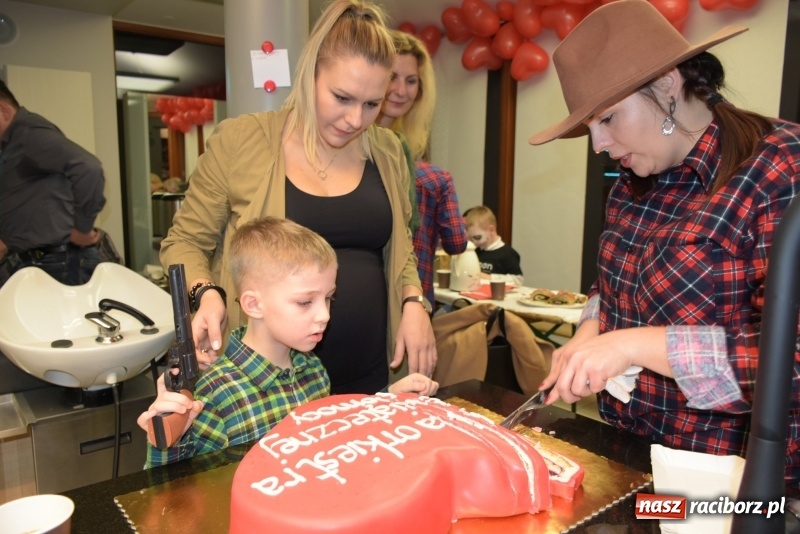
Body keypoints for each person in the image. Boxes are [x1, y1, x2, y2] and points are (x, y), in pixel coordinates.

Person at [529, 0, 800, 484]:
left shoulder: (779, 170)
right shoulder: (630, 184)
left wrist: (633, 345)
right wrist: (595, 327)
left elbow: (790, 362)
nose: (597, 146)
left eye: (607, 119)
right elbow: (614, 281)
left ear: (668, 87)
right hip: (632, 460)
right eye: (589, 128)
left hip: (730, 481)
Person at [159, 0, 436, 395]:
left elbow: (399, 249)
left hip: (368, 376)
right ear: (309, 75)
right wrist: (205, 295)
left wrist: (413, 301)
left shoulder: (388, 150)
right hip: (265, 391)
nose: (356, 120)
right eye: (342, 97)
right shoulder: (242, 141)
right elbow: (184, 242)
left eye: (372, 104)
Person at [139, 217, 438, 467]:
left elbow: (331, 436)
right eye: (306, 302)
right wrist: (169, 439)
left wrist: (384, 400)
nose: (324, 316)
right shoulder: (216, 394)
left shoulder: (312, 370)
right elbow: (170, 493)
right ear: (254, 305)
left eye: (329, 298)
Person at [377, 30, 468, 306]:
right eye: (392, 76)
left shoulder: (405, 156)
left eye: (411, 81)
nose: (401, 90)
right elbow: (456, 242)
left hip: (410, 300)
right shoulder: (350, 153)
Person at [0, 79, 106, 286]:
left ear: (3, 110)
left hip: (58, 263)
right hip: (40, 261)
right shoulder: (14, 143)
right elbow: (32, 199)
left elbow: (88, 167)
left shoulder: (28, 135)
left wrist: (82, 228)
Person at [462, 205, 523, 286]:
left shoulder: (508, 253)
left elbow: (518, 280)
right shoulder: (475, 250)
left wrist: (489, 277)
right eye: (470, 238)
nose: (474, 242)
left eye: (477, 237)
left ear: (491, 230)